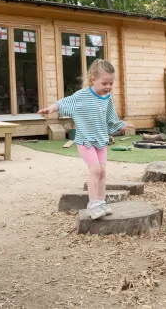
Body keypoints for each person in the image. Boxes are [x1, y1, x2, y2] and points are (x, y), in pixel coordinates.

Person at [38, 59, 134, 219]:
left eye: (111, 83)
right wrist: (51, 109)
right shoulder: (82, 95)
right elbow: (64, 102)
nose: (108, 87)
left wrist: (120, 126)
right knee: (95, 169)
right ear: (93, 80)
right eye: (104, 83)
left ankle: (101, 201)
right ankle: (93, 204)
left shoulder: (107, 97)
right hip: (86, 140)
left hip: (101, 139)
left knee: (103, 171)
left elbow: (111, 117)